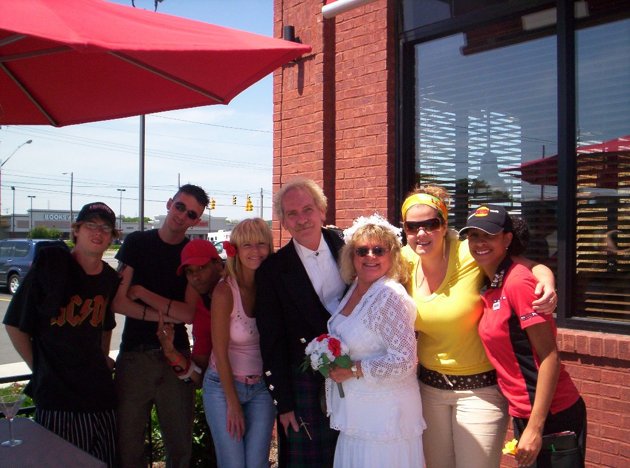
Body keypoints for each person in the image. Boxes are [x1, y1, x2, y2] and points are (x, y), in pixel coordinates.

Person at [400, 185, 558, 468]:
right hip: (428, 390)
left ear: (444, 225)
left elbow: (528, 267)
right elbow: (366, 267)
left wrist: (547, 281)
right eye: (413, 227)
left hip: (479, 391)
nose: (421, 233)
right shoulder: (406, 259)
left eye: (431, 224)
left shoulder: (469, 251)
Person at [461, 206, 586, 468]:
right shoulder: (491, 280)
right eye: (473, 235)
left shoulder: (517, 282)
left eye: (489, 235)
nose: (480, 243)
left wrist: (535, 427)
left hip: (552, 413)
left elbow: (550, 356)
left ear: (507, 239)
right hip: (523, 411)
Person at [3, 202, 121, 467]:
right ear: (76, 230)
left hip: (100, 395)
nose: (98, 232)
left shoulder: (109, 278)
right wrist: (40, 367)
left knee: (104, 461)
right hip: (59, 400)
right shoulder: (50, 269)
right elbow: (14, 325)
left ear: (112, 236)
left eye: (105, 228)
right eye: (90, 225)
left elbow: (106, 325)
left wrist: (102, 359)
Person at [112, 184, 209, 468]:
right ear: (169, 204)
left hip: (176, 356)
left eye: (191, 214)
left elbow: (188, 313)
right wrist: (164, 316)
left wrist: (142, 293)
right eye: (180, 207)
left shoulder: (191, 253)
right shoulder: (137, 243)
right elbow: (118, 302)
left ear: (196, 221)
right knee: (128, 447)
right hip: (135, 355)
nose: (182, 215)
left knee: (179, 448)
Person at [255, 177, 346, 467]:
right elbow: (272, 341)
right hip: (304, 380)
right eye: (292, 213)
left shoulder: (349, 247)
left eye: (308, 209)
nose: (302, 219)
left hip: (354, 373)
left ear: (322, 211)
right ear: (283, 222)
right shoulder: (272, 270)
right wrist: (284, 404)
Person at [326, 214, 425, 468]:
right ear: (351, 256)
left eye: (379, 250)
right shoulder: (356, 287)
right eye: (362, 251)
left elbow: (404, 361)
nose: (370, 256)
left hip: (385, 422)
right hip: (358, 415)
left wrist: (352, 370)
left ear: (392, 255)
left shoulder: (389, 296)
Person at [202, 218, 276, 468]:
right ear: (235, 250)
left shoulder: (272, 288)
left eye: (261, 244)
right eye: (247, 245)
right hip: (223, 386)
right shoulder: (225, 291)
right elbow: (220, 352)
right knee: (233, 463)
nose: (255, 251)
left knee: (256, 463)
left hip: (261, 387)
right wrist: (233, 404)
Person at [157, 239, 225, 386]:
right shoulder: (202, 310)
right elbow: (201, 377)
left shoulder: (246, 293)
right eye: (189, 271)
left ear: (218, 264)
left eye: (201, 268)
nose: (195, 277)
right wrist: (171, 352)